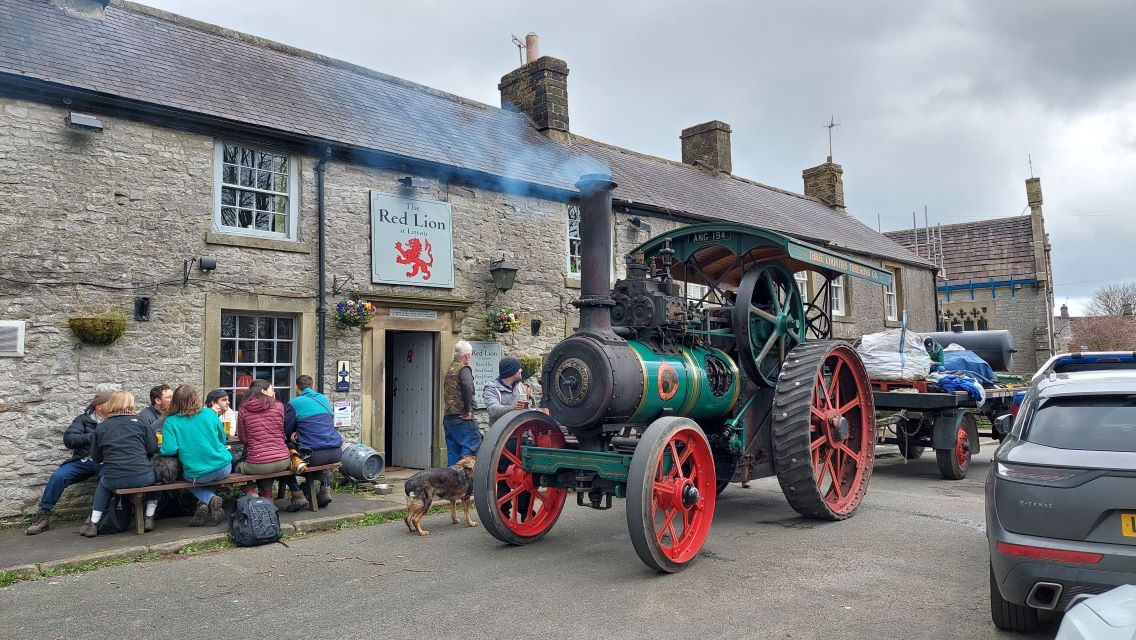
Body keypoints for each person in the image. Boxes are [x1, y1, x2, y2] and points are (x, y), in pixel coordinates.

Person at [24, 392, 111, 535]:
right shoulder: (83, 420)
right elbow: (70, 440)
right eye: (110, 403)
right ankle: (43, 515)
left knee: (107, 479)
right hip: (84, 460)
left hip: (105, 461)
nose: (114, 406)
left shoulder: (115, 419)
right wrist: (94, 436)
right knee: (59, 476)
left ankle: (94, 518)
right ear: (99, 406)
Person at [78, 392, 160, 537]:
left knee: (103, 484)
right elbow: (152, 449)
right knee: (157, 478)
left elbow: (96, 457)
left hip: (114, 479)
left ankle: (94, 523)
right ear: (130, 404)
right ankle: (149, 517)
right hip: (143, 477)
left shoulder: (102, 427)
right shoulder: (141, 422)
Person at [159, 385, 232, 526]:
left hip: (197, 474)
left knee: (184, 478)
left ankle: (208, 499)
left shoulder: (171, 421)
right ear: (196, 399)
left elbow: (170, 450)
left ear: (175, 401)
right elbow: (223, 439)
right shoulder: (210, 413)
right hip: (223, 467)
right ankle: (203, 504)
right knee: (207, 475)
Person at [283, 375, 342, 510]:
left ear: (297, 389)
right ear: (313, 386)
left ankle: (298, 495)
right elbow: (325, 424)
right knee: (323, 463)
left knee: (285, 461)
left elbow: (286, 429)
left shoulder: (295, 402)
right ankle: (325, 489)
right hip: (336, 452)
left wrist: (295, 432)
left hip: (314, 454)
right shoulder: (323, 399)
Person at [235, 379, 291, 498]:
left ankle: (251, 493)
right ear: (263, 391)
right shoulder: (279, 406)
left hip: (258, 464)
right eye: (271, 390)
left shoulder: (243, 408)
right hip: (283, 460)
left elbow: (243, 438)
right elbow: (281, 431)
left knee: (238, 465)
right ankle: (267, 496)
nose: (273, 392)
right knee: (266, 468)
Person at [443, 340, 481, 466]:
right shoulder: (464, 369)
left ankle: (451, 483)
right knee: (472, 448)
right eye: (470, 355)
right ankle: (467, 482)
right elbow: (467, 386)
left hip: (449, 417)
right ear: (466, 356)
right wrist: (469, 409)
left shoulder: (450, 368)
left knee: (453, 452)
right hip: (462, 417)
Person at [483, 356, 530, 423]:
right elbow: (493, 409)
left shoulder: (520, 386)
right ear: (511, 371)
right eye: (518, 368)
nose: (521, 370)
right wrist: (512, 408)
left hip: (521, 430)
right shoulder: (491, 388)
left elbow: (526, 409)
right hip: (502, 431)